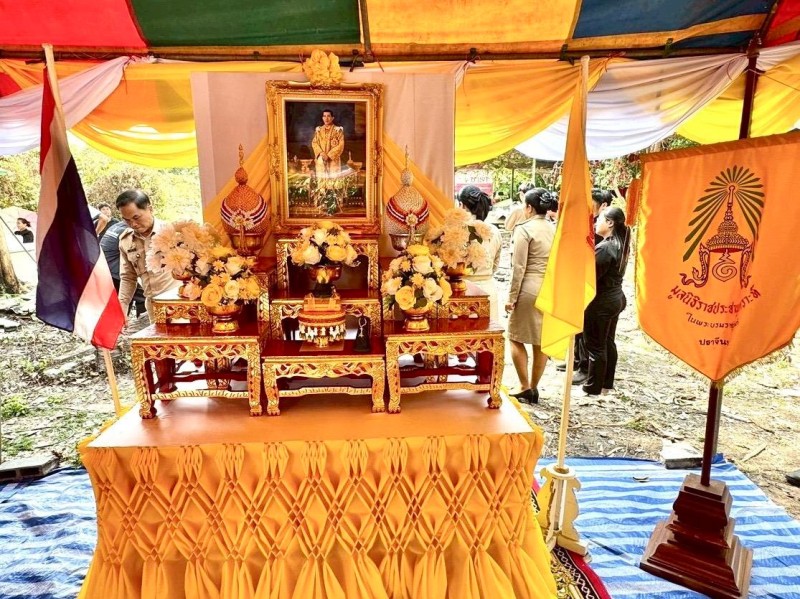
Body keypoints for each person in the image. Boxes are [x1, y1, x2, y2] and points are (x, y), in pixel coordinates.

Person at [505, 188, 557, 404]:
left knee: (515, 337)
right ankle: (534, 386)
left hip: (529, 287)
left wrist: (511, 297)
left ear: (528, 207)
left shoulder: (524, 229)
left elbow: (519, 267)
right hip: (549, 287)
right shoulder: (555, 228)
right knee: (540, 340)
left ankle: (524, 385)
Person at [576, 206, 630, 396]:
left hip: (602, 302)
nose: (595, 223)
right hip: (615, 298)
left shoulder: (606, 248)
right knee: (607, 342)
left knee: (595, 346)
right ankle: (606, 384)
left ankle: (592, 387)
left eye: (599, 219)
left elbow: (591, 277)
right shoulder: (620, 244)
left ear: (610, 223)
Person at [115, 189, 180, 323]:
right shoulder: (126, 240)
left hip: (179, 304)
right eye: (127, 220)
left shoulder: (173, 233)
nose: (133, 224)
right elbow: (128, 277)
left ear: (150, 209)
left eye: (136, 218)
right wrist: (122, 306)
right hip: (153, 307)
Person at [458, 185, 503, 321]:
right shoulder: (494, 231)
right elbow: (495, 264)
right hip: (488, 288)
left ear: (462, 205)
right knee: (489, 331)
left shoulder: (456, 230)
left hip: (462, 290)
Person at [99, 219, 146, 317]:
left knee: (124, 300)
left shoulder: (115, 226)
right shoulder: (126, 232)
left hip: (105, 269)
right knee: (142, 297)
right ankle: (142, 322)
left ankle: (123, 321)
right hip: (114, 272)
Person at [311, 109, 345, 179]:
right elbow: (314, 143)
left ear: (332, 118)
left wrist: (329, 155)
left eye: (328, 116)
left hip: (333, 159)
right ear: (322, 118)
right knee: (321, 179)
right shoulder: (319, 130)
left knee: (334, 180)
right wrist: (321, 153)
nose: (326, 118)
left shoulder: (338, 130)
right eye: (324, 116)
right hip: (321, 159)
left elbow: (341, 145)